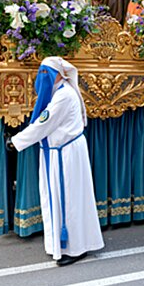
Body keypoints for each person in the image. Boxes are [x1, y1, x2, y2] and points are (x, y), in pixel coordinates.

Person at [11, 57, 104, 266]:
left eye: (45, 73)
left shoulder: (63, 96)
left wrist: (16, 141)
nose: (41, 78)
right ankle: (73, 243)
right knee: (71, 199)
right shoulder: (61, 93)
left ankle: (75, 247)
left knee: (69, 200)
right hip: (64, 152)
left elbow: (44, 124)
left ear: (57, 75)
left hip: (66, 154)